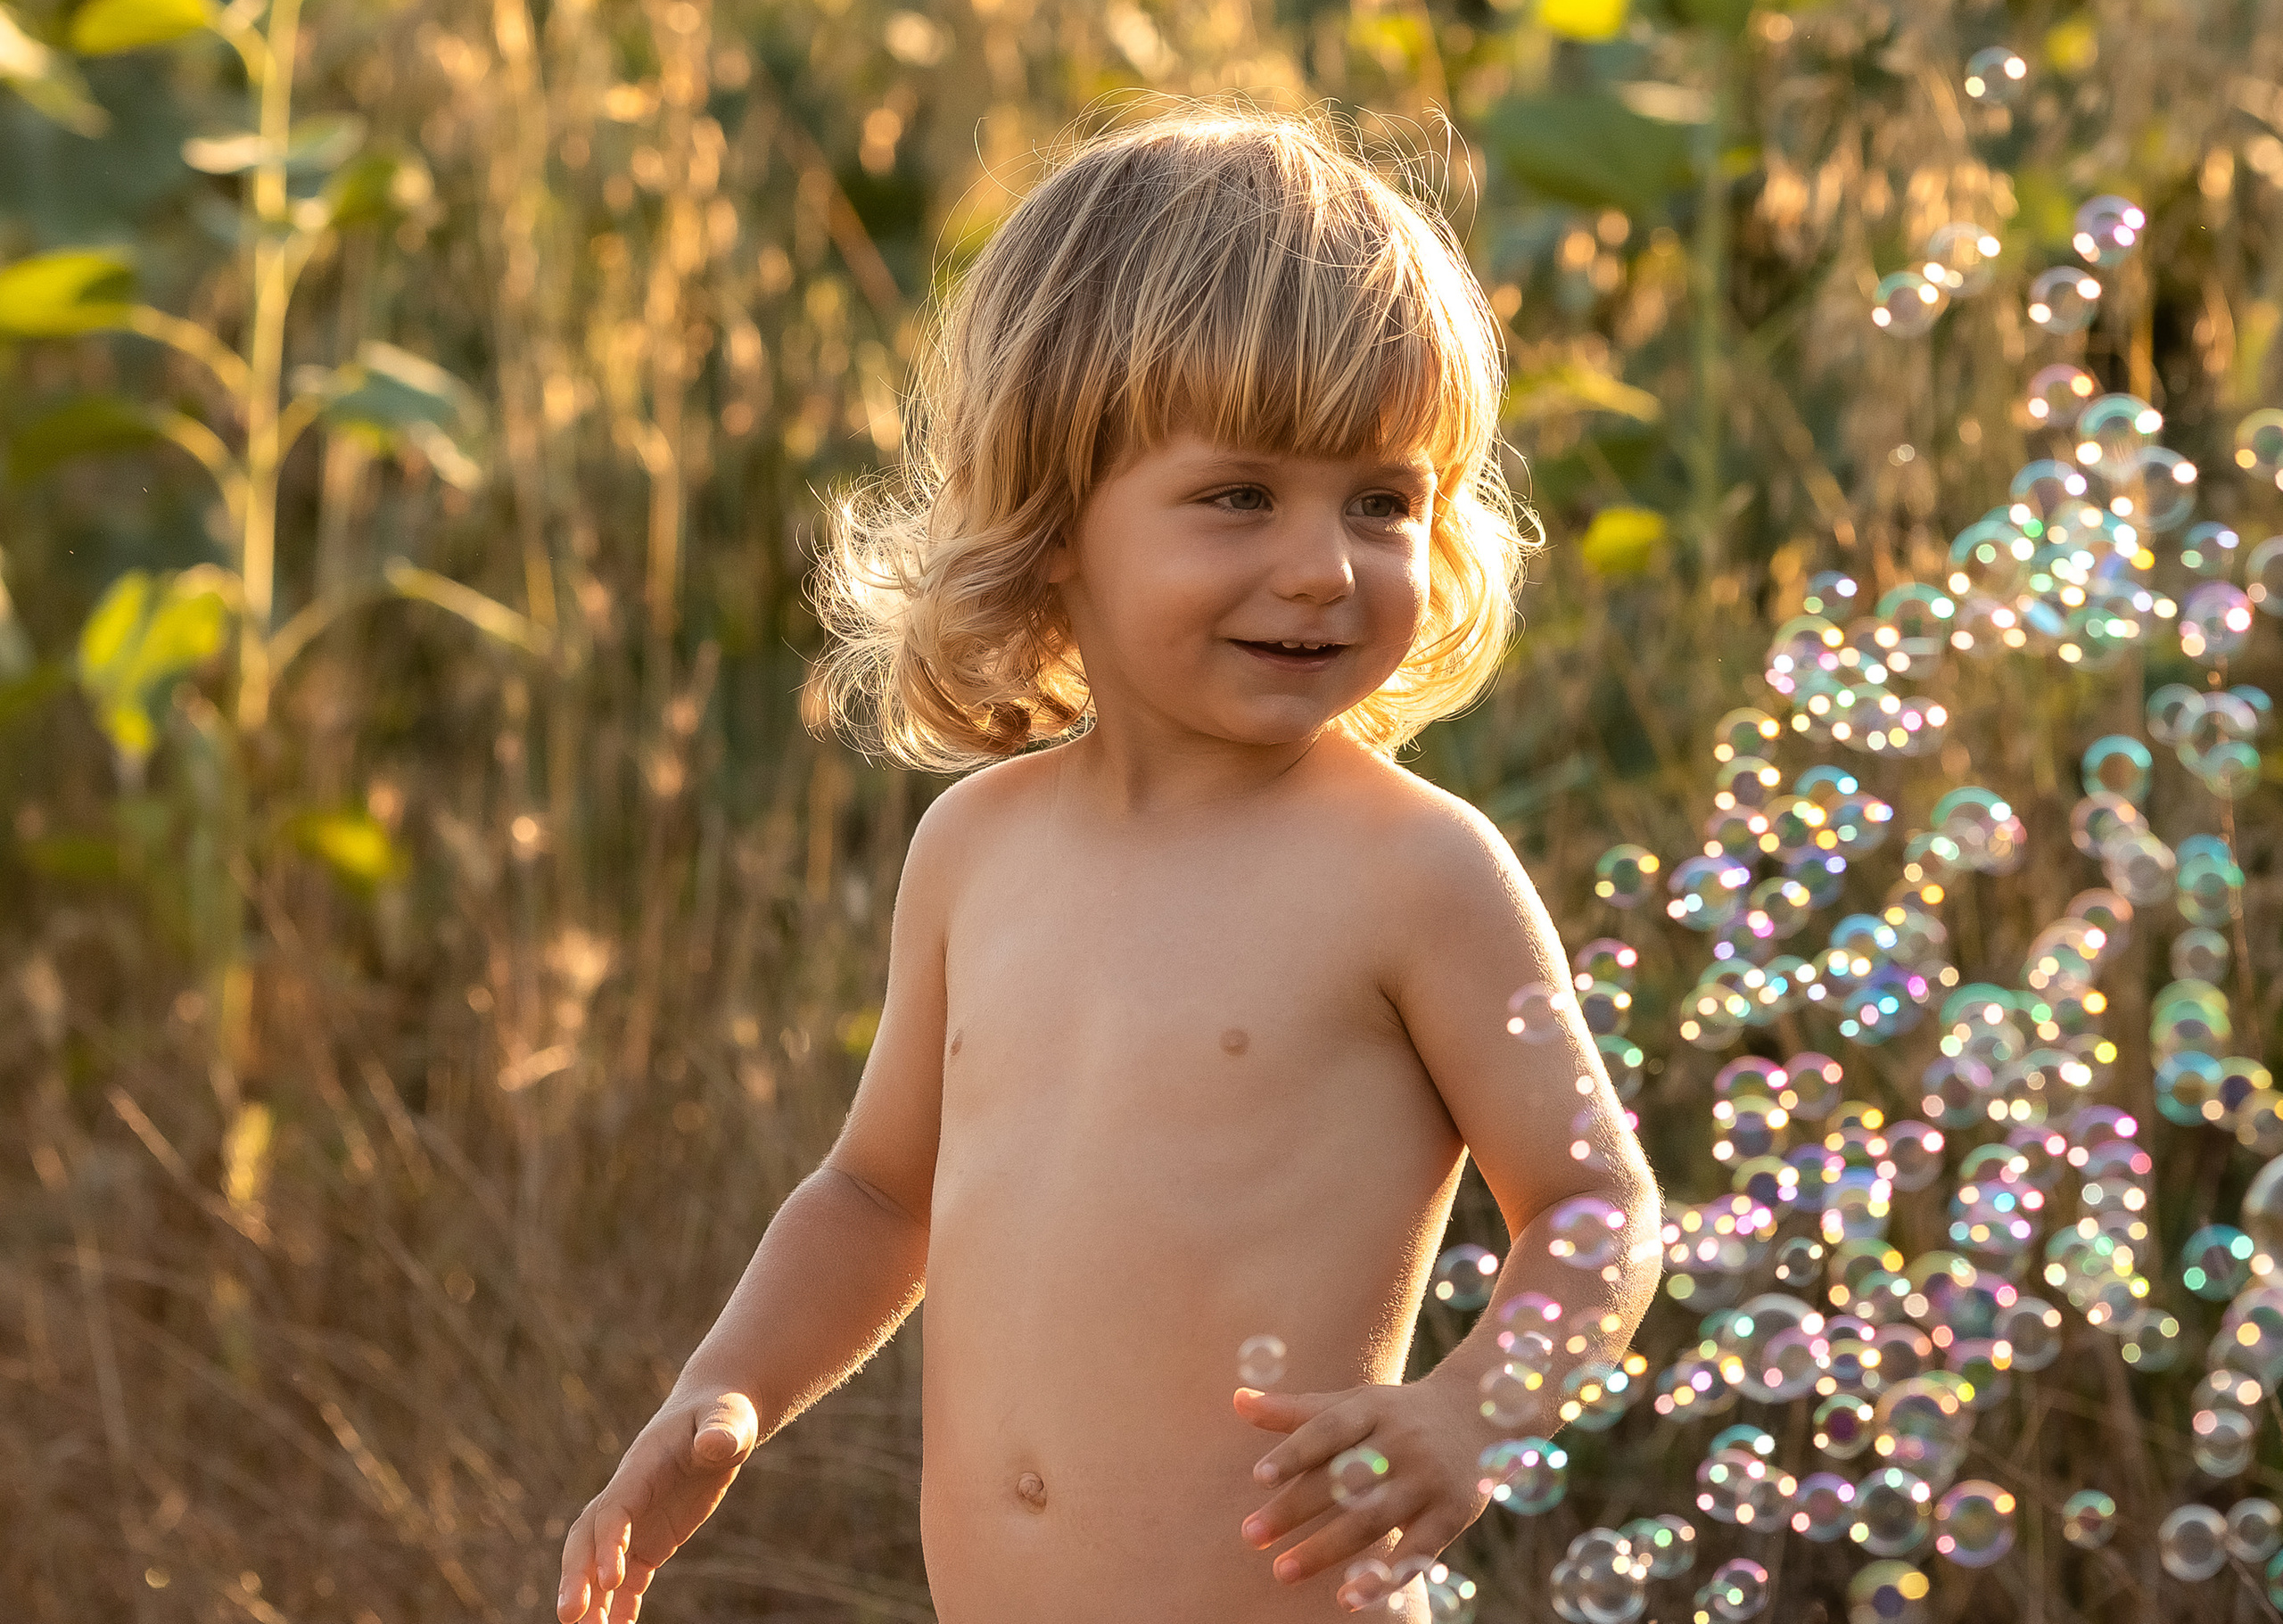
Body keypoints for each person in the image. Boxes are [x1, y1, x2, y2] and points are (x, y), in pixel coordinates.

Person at [556, 104, 1660, 1624]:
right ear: (1056, 514)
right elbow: (881, 1195)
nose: (1323, 565)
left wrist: (1473, 1409)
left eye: (1383, 502)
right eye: (1238, 495)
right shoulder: (979, 847)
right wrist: (725, 1390)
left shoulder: (1409, 872)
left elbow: (1595, 1207)